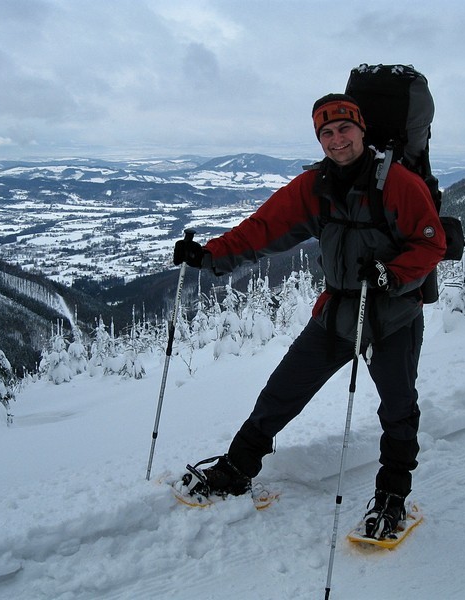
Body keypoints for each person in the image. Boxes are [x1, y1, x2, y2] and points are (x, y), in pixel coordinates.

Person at [172, 93, 446, 539]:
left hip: (392, 316)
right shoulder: (315, 186)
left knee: (398, 408)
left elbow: (431, 243)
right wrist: (209, 255)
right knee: (282, 391)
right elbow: (264, 227)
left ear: (362, 130)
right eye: (327, 132)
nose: (337, 139)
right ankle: (237, 469)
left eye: (345, 128)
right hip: (337, 312)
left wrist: (390, 274)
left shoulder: (398, 183)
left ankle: (392, 497)